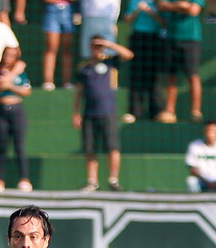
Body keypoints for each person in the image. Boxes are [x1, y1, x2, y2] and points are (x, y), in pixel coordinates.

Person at [73, 35, 134, 191]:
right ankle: (92, 180)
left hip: (108, 111)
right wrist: (76, 112)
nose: (97, 48)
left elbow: (128, 55)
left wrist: (108, 44)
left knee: (112, 147)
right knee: (90, 148)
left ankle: (113, 179)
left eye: (99, 45)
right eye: (95, 45)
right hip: (89, 112)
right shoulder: (84, 67)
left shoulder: (111, 62)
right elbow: (79, 91)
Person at [0, 46, 33, 192]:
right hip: (0, 111)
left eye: (12, 56)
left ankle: (24, 179)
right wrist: (0, 87)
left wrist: (11, 86)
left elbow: (27, 91)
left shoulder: (20, 73)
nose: (8, 58)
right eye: (6, 55)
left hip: (16, 111)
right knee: (1, 147)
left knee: (19, 146)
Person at [156, 0, 205, 123]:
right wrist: (180, 6)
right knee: (171, 76)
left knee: (193, 76)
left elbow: (194, 11)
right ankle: (170, 110)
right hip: (171, 38)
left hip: (191, 39)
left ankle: (196, 111)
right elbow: (162, 5)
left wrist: (173, 7)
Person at [123, 0, 166, 121]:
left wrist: (151, 12)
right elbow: (128, 20)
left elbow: (164, 22)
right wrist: (137, 10)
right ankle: (135, 111)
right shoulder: (134, 2)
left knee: (154, 77)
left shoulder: (160, 2)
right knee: (137, 76)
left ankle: (156, 111)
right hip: (138, 38)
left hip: (155, 39)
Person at [42, 0, 77, 91]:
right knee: (51, 47)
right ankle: (48, 81)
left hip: (69, 11)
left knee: (67, 48)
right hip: (52, 11)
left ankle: (67, 82)